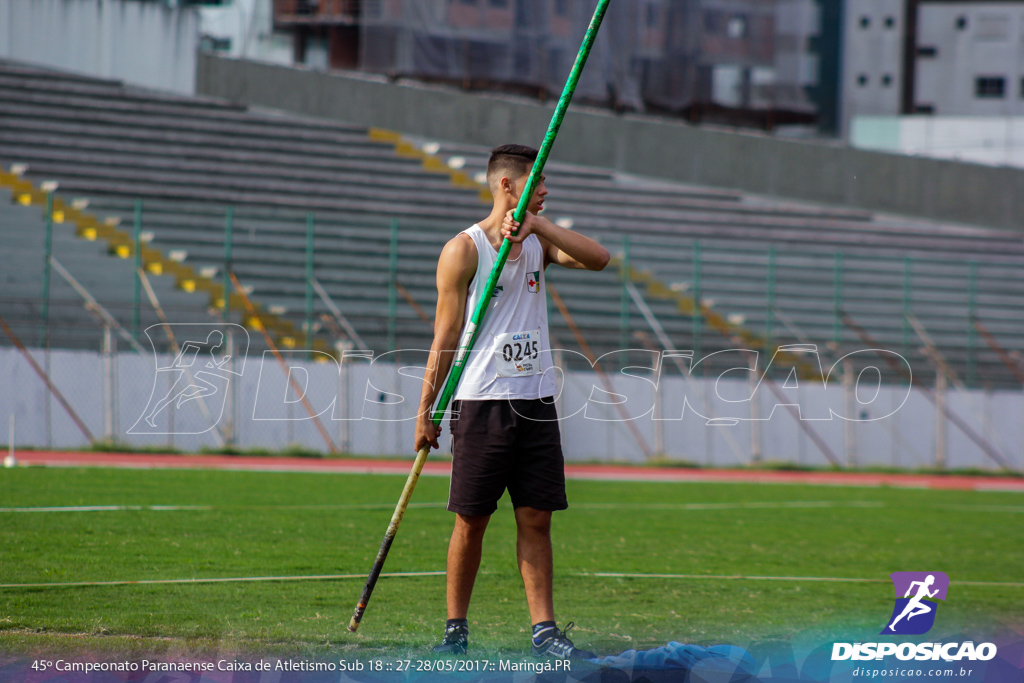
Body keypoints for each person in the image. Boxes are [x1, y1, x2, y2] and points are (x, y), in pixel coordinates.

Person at [413, 144, 610, 658]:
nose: (545, 192)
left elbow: (600, 259)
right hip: (482, 401)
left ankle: (544, 631)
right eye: (537, 182)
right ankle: (455, 630)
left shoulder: (540, 244)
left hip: (536, 400)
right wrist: (427, 409)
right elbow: (445, 335)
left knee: (536, 517)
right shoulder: (466, 249)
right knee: (471, 519)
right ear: (507, 185)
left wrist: (538, 229)